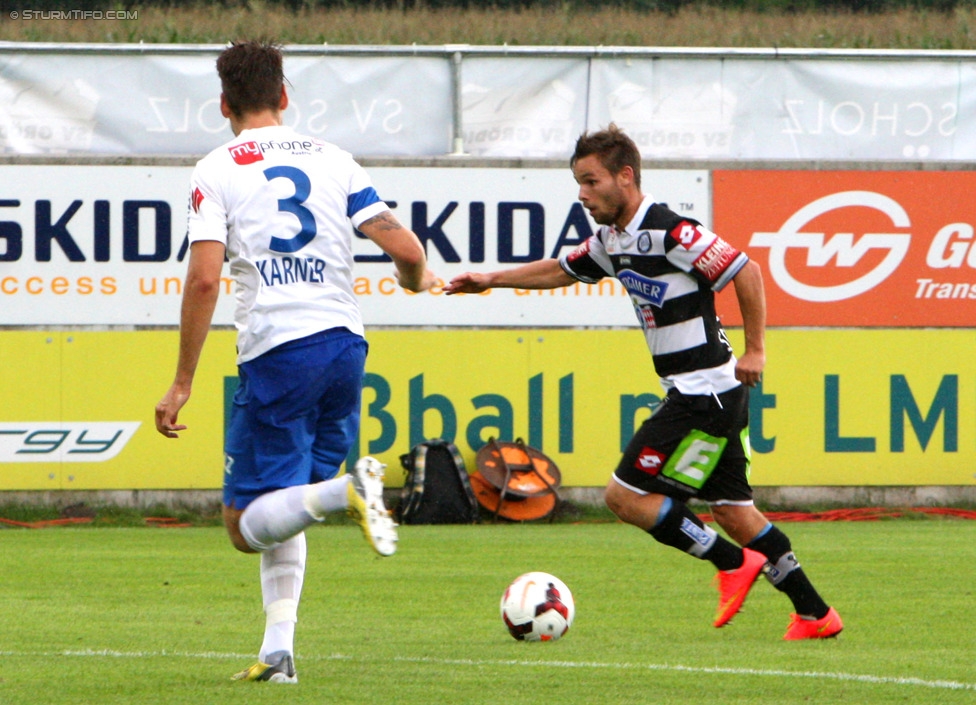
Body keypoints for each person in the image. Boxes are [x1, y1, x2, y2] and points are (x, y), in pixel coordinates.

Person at [444, 124, 842, 640]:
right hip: (710, 393)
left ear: (625, 177)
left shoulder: (672, 231)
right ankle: (815, 614)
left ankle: (730, 564)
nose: (583, 195)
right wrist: (490, 280)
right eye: (578, 184)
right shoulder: (614, 240)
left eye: (591, 182)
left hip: (707, 393)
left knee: (624, 498)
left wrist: (757, 348)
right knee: (735, 512)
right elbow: (563, 269)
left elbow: (746, 272)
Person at [154, 40, 436, 683]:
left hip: (279, 351)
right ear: (284, 97)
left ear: (224, 104)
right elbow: (405, 245)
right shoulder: (335, 159)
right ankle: (279, 652)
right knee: (290, 502)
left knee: (242, 524)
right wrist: (415, 278)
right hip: (344, 346)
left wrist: (182, 381)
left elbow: (203, 282)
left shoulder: (216, 168)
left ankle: (348, 490)